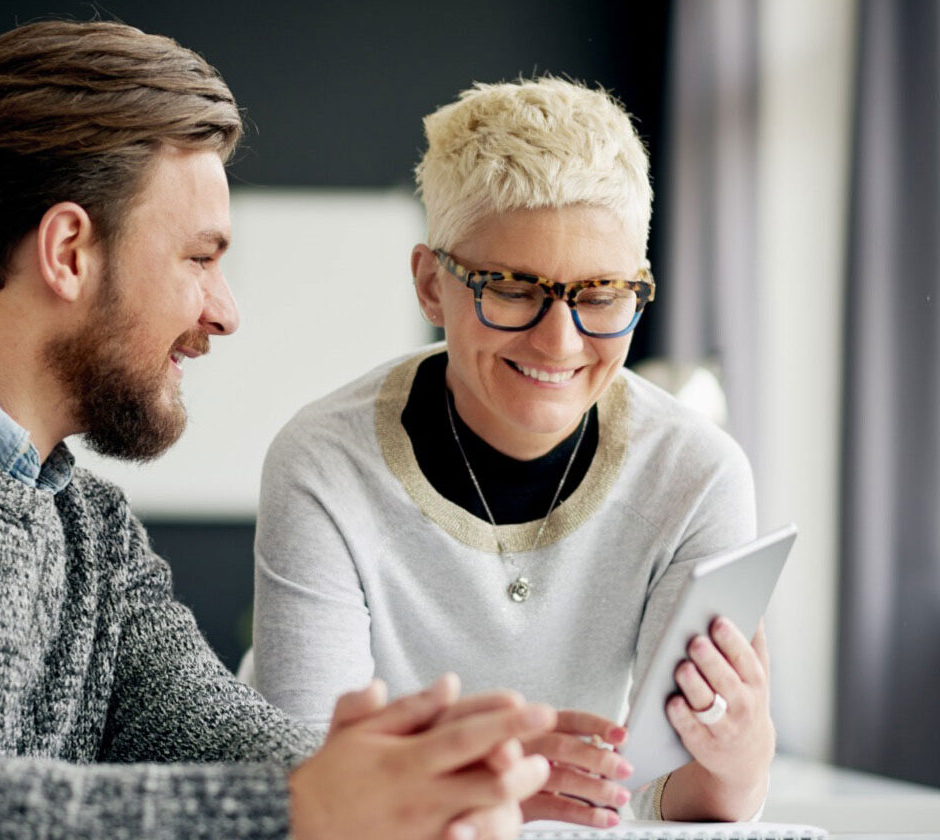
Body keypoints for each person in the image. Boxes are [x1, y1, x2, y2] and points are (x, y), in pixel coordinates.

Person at [0, 22, 560, 840]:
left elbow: (235, 747)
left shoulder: (91, 532)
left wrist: (411, 780)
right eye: (201, 260)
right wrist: (297, 807)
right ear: (68, 251)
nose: (225, 312)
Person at [252, 78, 774, 827]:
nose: (559, 342)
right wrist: (493, 791)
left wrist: (741, 755)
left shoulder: (698, 474)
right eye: (510, 288)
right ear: (433, 286)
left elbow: (680, 804)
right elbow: (311, 790)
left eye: (600, 295)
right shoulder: (322, 464)